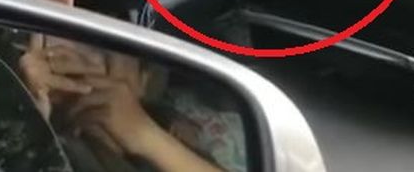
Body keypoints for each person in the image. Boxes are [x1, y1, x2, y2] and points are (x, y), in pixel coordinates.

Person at [19, 37, 248, 172]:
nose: (79, 61)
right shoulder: (45, 136)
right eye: (55, 54)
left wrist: (143, 134)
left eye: (105, 57)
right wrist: (27, 106)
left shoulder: (172, 140)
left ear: (144, 80)